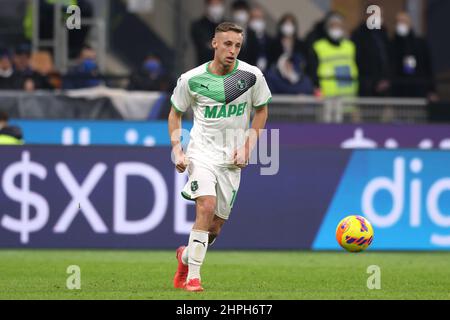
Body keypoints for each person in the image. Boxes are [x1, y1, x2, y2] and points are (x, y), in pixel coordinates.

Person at [168, 22, 271, 292]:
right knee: (206, 206)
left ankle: (185, 256)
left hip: (231, 160)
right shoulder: (191, 79)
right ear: (214, 43)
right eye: (227, 44)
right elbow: (175, 113)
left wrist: (248, 147)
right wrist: (177, 148)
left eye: (237, 45)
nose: (232, 50)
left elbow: (261, 112)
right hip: (201, 153)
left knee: (214, 229)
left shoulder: (252, 76)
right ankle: (194, 278)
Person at [308, 12, 359, 98]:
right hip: (327, 99)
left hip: (348, 99)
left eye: (338, 25)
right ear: (327, 27)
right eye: (333, 25)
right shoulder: (318, 47)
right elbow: (312, 72)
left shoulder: (350, 46)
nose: (336, 28)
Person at [390, 12, 437, 100]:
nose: (401, 24)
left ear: (410, 23)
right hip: (399, 92)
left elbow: (428, 67)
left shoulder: (420, 43)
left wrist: (432, 90)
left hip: (418, 89)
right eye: (398, 22)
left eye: (404, 21)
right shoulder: (391, 45)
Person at [351, 9, 391, 97]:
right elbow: (359, 60)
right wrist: (373, 82)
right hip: (366, 84)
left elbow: (387, 58)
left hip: (383, 84)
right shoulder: (358, 35)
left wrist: (386, 79)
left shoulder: (383, 34)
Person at [191, 0, 225, 65]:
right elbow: (204, 48)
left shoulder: (229, 25)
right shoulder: (198, 25)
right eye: (213, 5)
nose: (216, 8)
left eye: (218, 5)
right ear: (207, 6)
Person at [245, 4, 272, 72]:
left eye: (260, 18)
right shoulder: (244, 37)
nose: (257, 21)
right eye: (255, 17)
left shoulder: (269, 39)